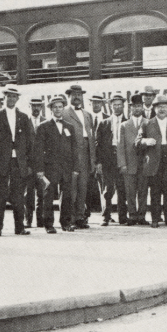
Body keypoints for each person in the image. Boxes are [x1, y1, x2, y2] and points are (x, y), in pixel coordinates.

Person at [0, 84, 35, 237]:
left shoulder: (24, 117)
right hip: (1, 162)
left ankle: (19, 228)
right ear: (4, 98)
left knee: (18, 196)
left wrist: (29, 164)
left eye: (14, 96)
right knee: (0, 195)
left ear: (17, 99)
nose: (11, 99)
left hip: (18, 162)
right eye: (9, 96)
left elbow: (30, 142)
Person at [138, 95, 167, 227]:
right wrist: (145, 141)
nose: (162, 109)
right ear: (154, 109)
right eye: (159, 107)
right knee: (155, 191)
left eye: (164, 107)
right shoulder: (147, 123)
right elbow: (137, 141)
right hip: (154, 162)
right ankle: (155, 218)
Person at [34, 96, 76, 234]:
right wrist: (40, 169)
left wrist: (75, 168)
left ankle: (66, 223)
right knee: (48, 196)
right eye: (55, 107)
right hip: (50, 167)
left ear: (63, 108)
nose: (58, 109)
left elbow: (74, 148)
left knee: (67, 195)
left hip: (66, 167)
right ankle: (48, 225)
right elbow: (38, 150)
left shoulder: (69, 127)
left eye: (60, 107)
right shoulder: (43, 126)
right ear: (51, 109)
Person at [62, 84, 98, 229]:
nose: (77, 97)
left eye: (79, 94)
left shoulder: (87, 115)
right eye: (74, 94)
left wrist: (93, 159)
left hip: (86, 155)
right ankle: (68, 218)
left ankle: (79, 217)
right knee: (71, 189)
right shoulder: (64, 113)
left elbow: (91, 137)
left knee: (83, 188)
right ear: (68, 96)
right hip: (71, 155)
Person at [117, 94, 147, 225]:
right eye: (134, 106)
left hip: (144, 164)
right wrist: (122, 164)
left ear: (142, 107)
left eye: (139, 106)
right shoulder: (124, 125)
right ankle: (132, 215)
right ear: (130, 108)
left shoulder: (148, 123)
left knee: (143, 191)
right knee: (130, 191)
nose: (137, 108)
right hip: (129, 164)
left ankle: (142, 216)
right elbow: (120, 146)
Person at [94, 94, 122, 226]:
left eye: (119, 105)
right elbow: (97, 144)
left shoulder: (127, 121)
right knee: (108, 189)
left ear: (123, 106)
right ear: (110, 106)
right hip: (107, 160)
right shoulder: (103, 123)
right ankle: (106, 216)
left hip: (122, 159)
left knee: (122, 188)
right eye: (114, 105)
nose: (117, 107)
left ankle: (123, 216)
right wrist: (99, 162)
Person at [24, 96, 48, 228]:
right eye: (34, 105)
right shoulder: (24, 121)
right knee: (28, 193)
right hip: (28, 164)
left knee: (42, 192)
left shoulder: (46, 122)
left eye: (38, 105)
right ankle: (28, 220)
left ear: (42, 107)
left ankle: (40, 220)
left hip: (43, 164)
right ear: (30, 106)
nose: (36, 108)